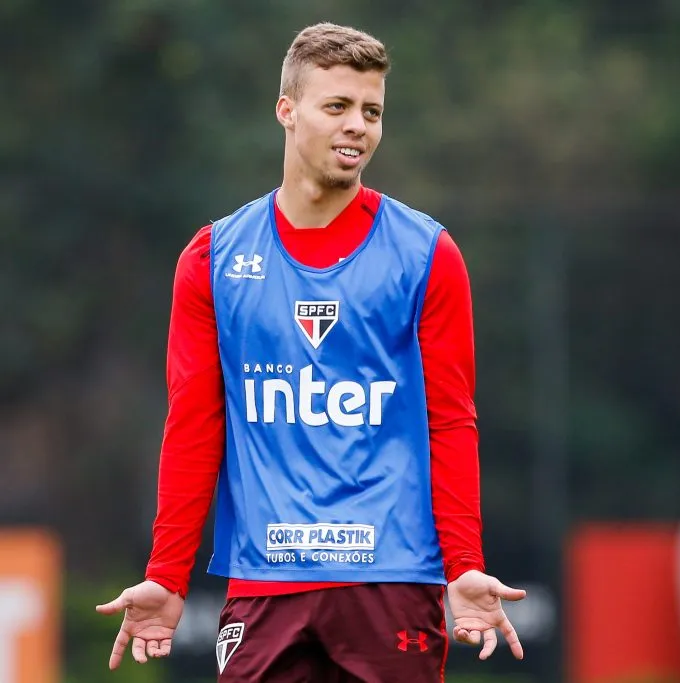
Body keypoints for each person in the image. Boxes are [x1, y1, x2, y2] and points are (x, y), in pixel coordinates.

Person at [96, 22, 526, 682]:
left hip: (392, 582)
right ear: (286, 111)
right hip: (265, 583)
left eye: (372, 111)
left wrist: (464, 561)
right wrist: (167, 575)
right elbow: (193, 425)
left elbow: (451, 420)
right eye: (338, 106)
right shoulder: (213, 259)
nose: (358, 126)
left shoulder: (426, 255)